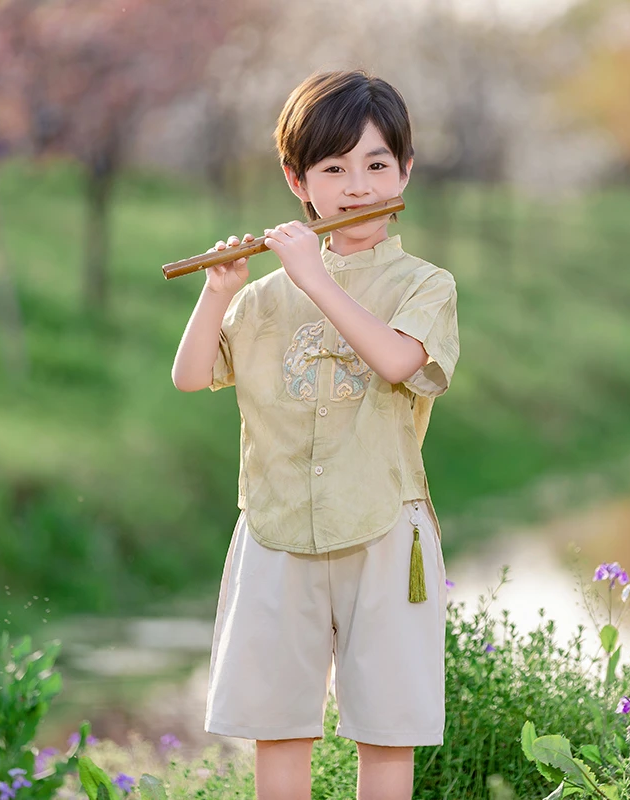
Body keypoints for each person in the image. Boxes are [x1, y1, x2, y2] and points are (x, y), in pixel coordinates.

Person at [171, 69, 459, 800]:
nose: (356, 186)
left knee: (386, 728)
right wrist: (219, 292)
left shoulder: (427, 284)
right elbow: (191, 374)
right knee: (279, 724)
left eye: (376, 165)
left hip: (384, 528)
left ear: (406, 171)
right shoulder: (265, 294)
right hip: (274, 528)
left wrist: (315, 279)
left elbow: (398, 360)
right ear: (298, 181)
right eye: (333, 168)